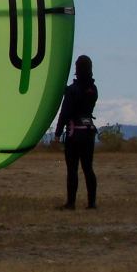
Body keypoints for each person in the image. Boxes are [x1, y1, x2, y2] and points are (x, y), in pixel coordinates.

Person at [54, 55, 98, 210]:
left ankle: (71, 203)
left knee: (72, 169)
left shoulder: (72, 91)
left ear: (77, 69)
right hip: (89, 132)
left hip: (74, 134)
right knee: (88, 168)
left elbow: (65, 113)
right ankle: (91, 203)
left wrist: (58, 133)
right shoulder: (93, 90)